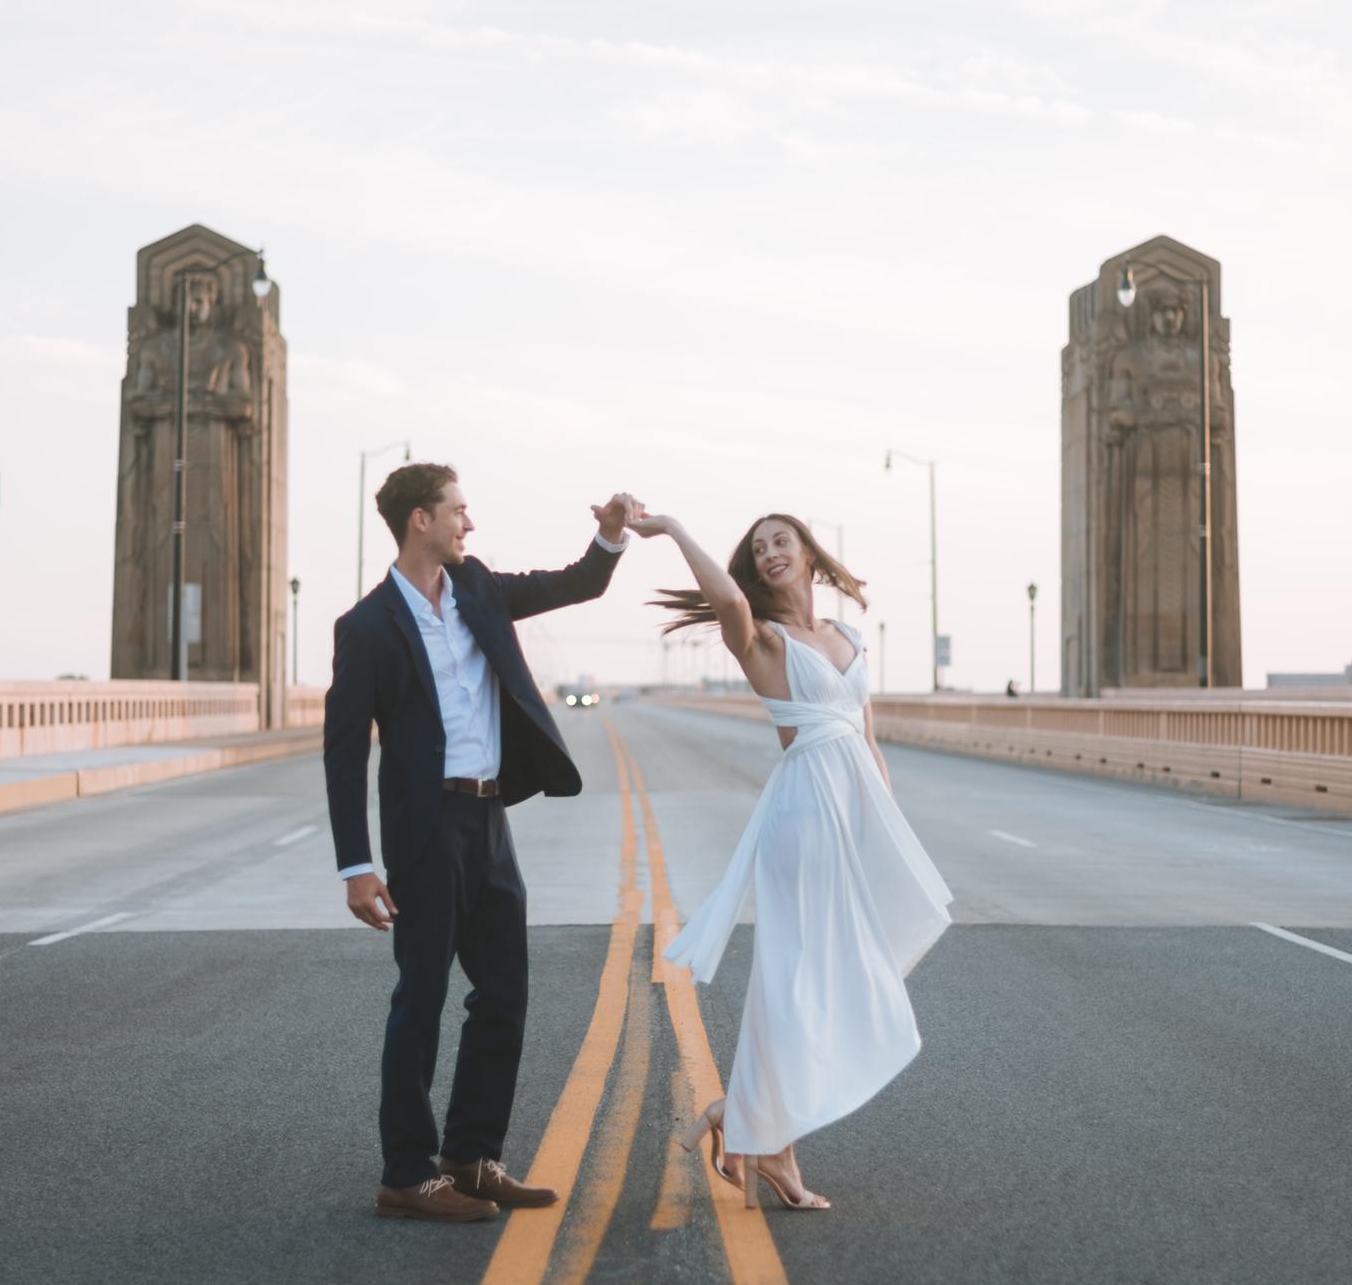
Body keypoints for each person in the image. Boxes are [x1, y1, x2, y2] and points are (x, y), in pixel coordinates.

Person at [324, 462, 644, 1222]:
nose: (470, 524)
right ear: (420, 523)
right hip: (425, 829)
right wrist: (356, 864)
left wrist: (608, 537)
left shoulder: (479, 590)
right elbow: (344, 750)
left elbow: (576, 584)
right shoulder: (367, 627)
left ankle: (470, 1157)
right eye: (459, 511)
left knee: (503, 992)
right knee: (423, 997)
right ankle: (406, 1171)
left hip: (489, 820)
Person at [631, 511, 954, 1211]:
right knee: (795, 981)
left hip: (856, 817)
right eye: (758, 548)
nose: (771, 552)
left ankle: (747, 1123)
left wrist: (886, 829)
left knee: (849, 972)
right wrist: (671, 529)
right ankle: (760, 1132)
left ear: (809, 551)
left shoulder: (847, 637)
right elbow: (726, 601)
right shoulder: (762, 638)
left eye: (782, 540)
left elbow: (867, 741)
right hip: (803, 818)